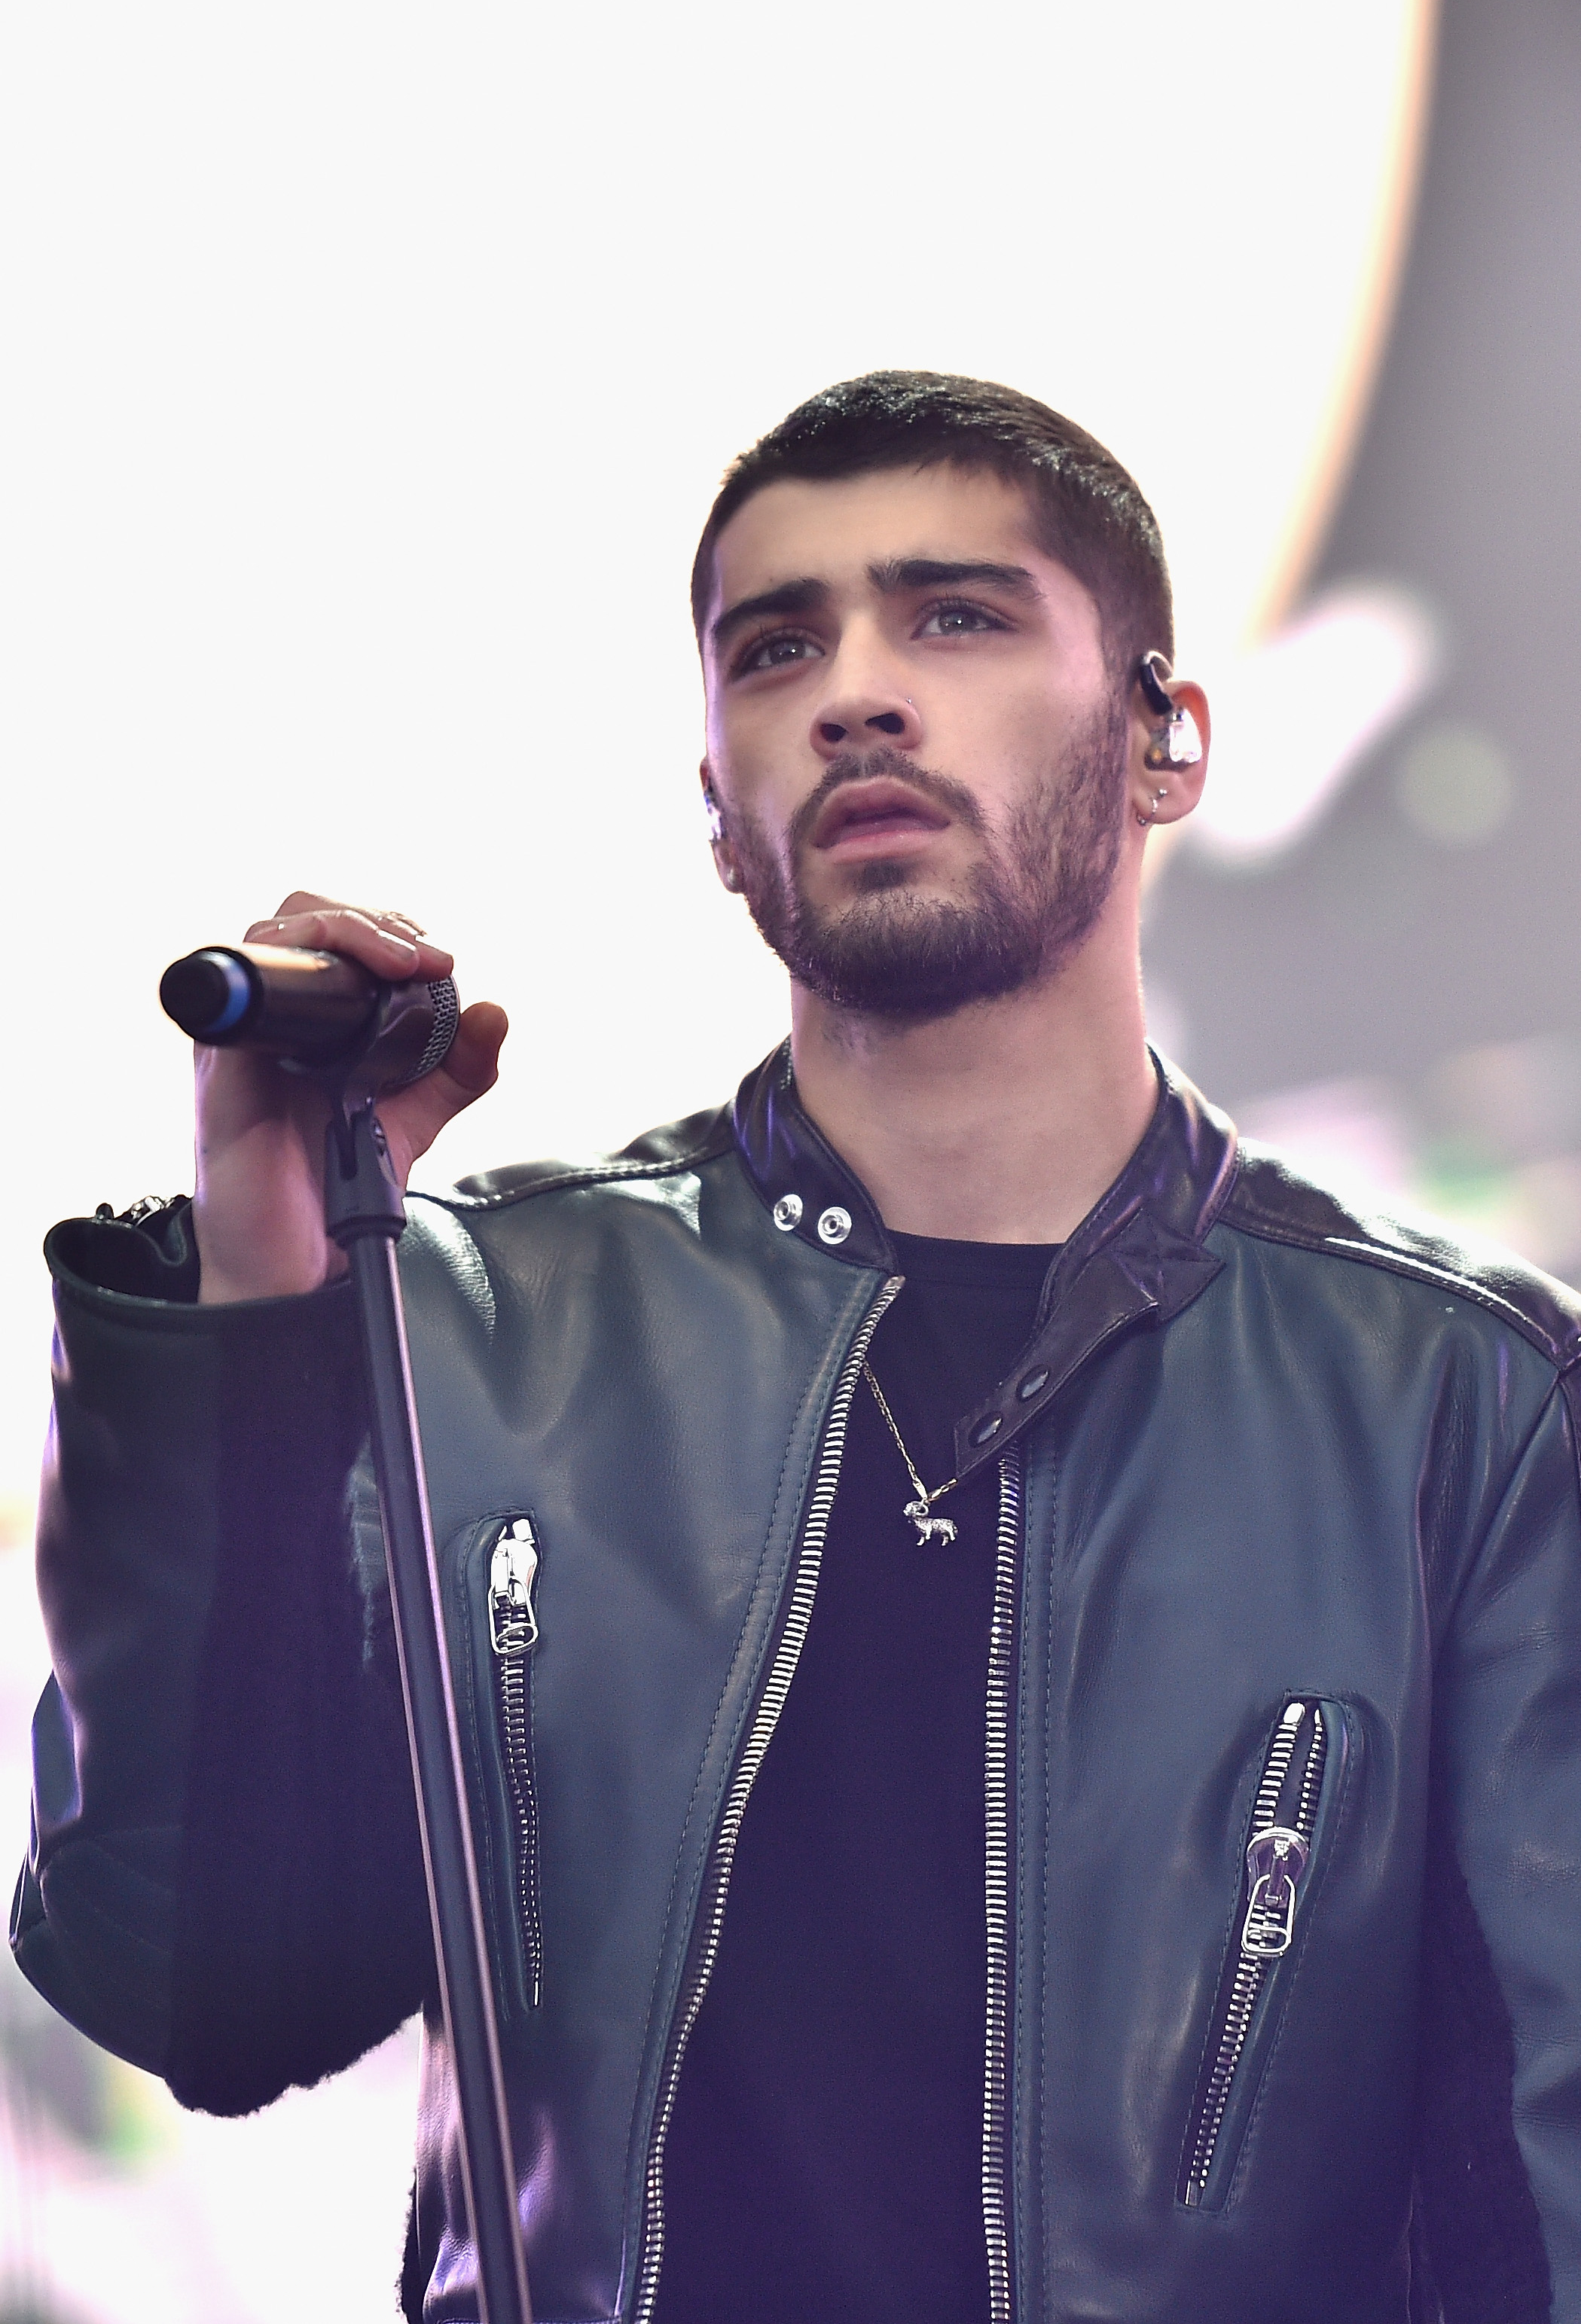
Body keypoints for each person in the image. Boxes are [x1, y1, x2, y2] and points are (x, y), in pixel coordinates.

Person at [12, 371, 1581, 2324]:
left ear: (1165, 736)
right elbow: (204, 1990)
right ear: (714, 811)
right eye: (776, 646)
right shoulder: (488, 1325)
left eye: (952, 614)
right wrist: (256, 1294)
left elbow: (1544, 2167)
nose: (851, 688)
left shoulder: (1451, 1393)